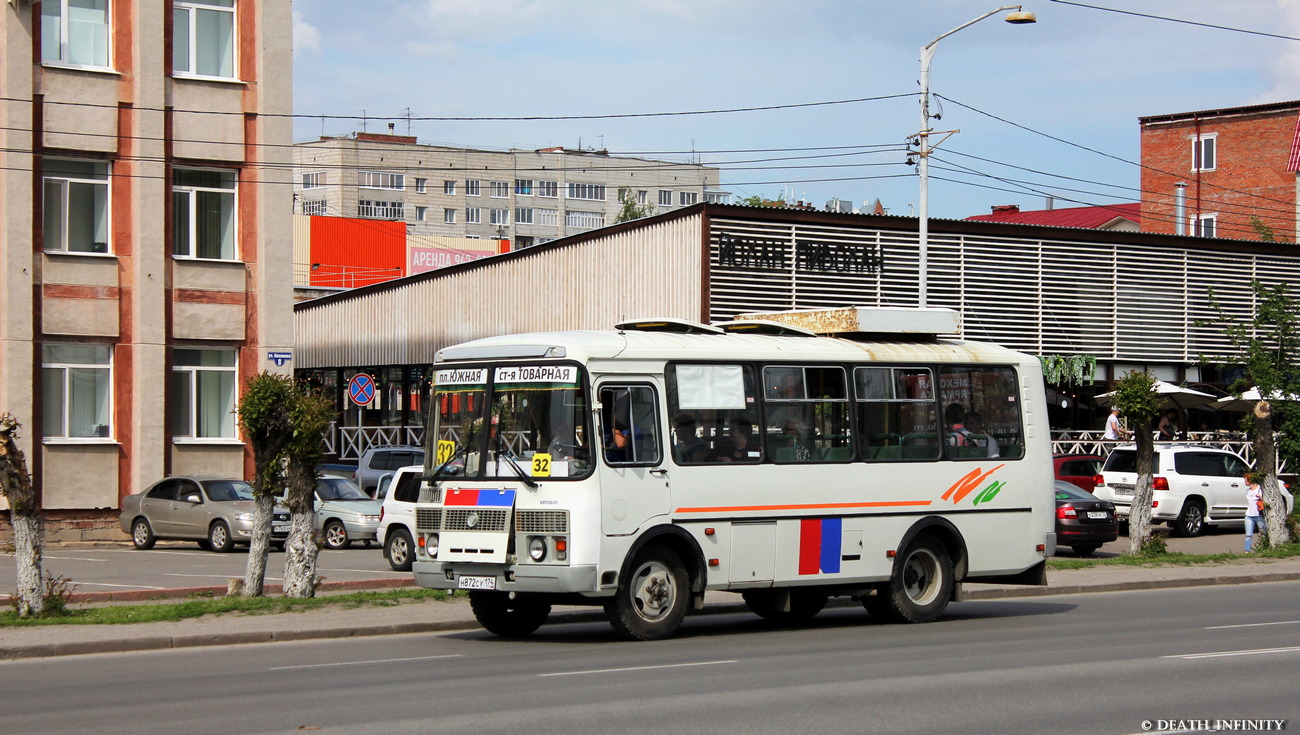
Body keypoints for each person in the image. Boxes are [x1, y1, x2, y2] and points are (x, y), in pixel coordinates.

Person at [1244, 471, 1266, 552]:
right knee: (1248, 534)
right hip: (1249, 515)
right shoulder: (1248, 490)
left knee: (1263, 532)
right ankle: (1247, 550)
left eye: (1246, 480)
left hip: (1258, 515)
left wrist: (1261, 497)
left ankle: (1264, 548)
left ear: (1250, 480)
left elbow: (1265, 501)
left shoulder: (1259, 489)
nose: (1244, 482)